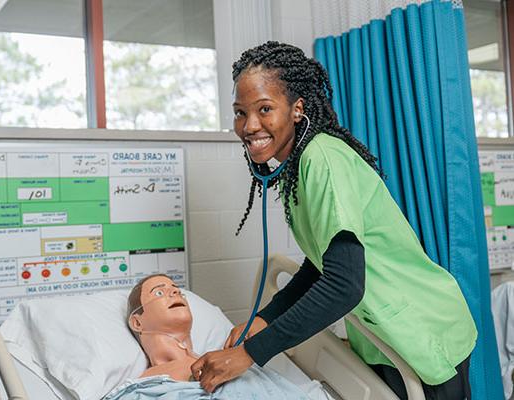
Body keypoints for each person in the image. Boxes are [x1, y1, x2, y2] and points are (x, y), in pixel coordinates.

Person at [190, 41, 477, 400]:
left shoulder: (322, 159)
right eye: (239, 113)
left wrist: (250, 354)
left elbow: (343, 284)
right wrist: (265, 319)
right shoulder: (299, 166)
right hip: (388, 332)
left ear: (297, 109)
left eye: (264, 109)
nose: (249, 126)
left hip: (421, 328)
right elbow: (322, 265)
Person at [121, 273, 332, 400]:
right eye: (159, 292)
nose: (174, 293)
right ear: (137, 322)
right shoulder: (141, 389)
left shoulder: (234, 362)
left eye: (177, 290)